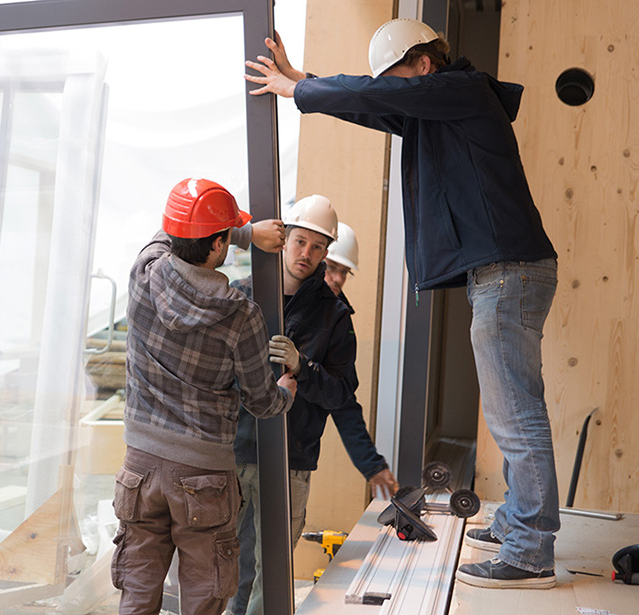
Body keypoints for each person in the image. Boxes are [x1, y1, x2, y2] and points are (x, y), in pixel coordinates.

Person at [244, 19, 559, 589]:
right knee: (510, 410)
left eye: (397, 78)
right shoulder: (440, 109)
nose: (394, 91)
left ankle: (531, 550)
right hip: (504, 273)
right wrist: (303, 84)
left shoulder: (460, 90)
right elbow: (372, 106)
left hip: (509, 273)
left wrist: (302, 91)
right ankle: (519, 523)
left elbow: (380, 95)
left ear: (422, 64)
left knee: (516, 416)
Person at [110, 178, 298, 615]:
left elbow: (172, 231)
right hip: (203, 475)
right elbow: (262, 402)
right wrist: (288, 387)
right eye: (226, 237)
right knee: (203, 596)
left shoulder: (143, 273)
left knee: (137, 589)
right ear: (217, 247)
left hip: (139, 465)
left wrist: (244, 231)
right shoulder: (240, 315)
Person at [228, 200, 398, 615]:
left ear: (326, 253)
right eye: (300, 241)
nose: (307, 253)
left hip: (290, 459)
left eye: (318, 247)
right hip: (231, 453)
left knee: (271, 575)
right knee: (220, 563)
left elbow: (343, 397)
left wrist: (304, 368)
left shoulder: (335, 317)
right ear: (284, 239)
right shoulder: (243, 296)